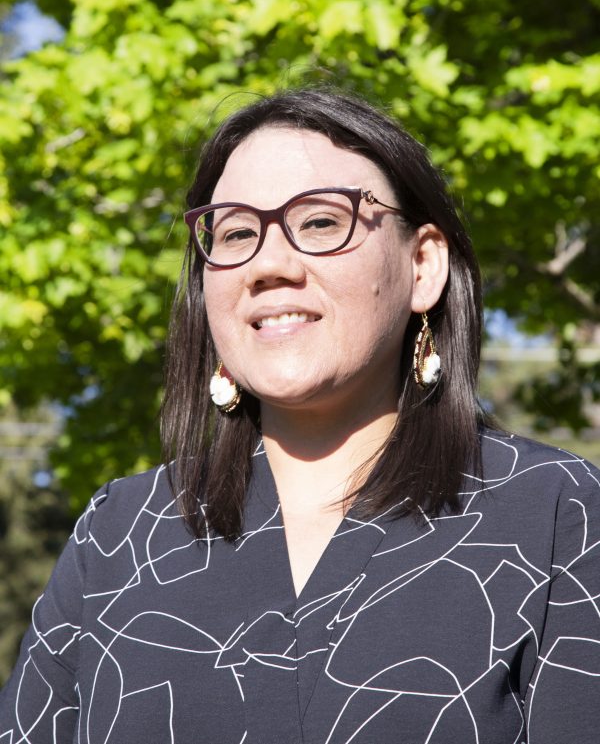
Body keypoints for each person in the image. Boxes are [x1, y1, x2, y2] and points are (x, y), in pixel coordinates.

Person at [1, 88, 599, 744]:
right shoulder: (117, 537)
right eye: (233, 233)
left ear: (422, 264)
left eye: (319, 222)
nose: (268, 264)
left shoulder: (555, 516)